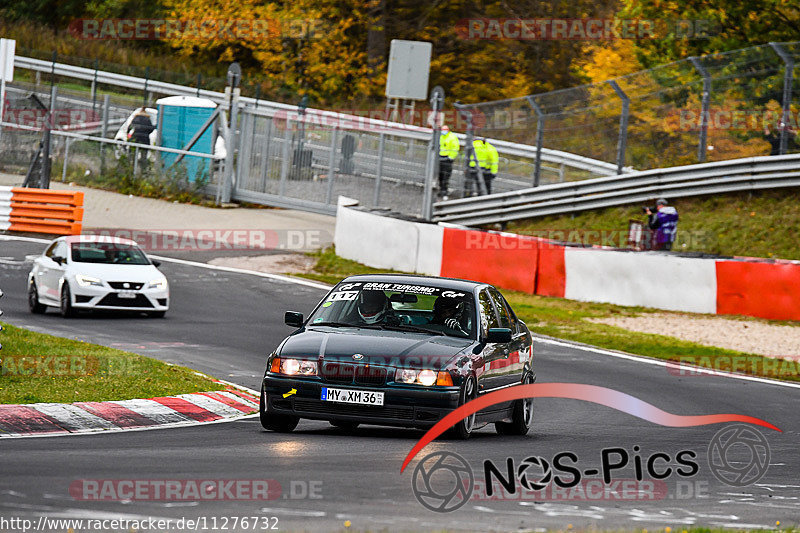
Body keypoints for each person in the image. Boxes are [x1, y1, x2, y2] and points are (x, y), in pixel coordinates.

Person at [438, 125, 460, 200]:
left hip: (447, 159)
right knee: (440, 175)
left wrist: (450, 158)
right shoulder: (440, 136)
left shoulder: (452, 137)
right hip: (440, 158)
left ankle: (444, 191)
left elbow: (455, 148)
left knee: (445, 176)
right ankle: (441, 190)